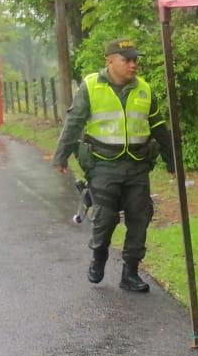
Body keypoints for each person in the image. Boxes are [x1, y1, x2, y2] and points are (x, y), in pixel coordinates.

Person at [53, 38, 173, 291]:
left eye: (135, 60)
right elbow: (74, 123)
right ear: (109, 60)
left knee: (139, 218)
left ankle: (130, 273)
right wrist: (61, 155)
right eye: (126, 59)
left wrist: (172, 159)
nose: (133, 65)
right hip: (103, 164)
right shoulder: (91, 86)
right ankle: (99, 258)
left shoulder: (144, 89)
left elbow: (159, 127)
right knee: (105, 219)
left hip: (138, 165)